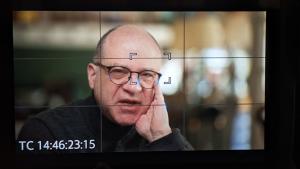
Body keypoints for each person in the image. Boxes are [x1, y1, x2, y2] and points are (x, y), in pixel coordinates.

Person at [17, 25, 193, 153]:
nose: (134, 88)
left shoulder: (164, 132)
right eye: (119, 72)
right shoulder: (46, 132)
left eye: (146, 75)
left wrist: (161, 136)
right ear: (93, 76)